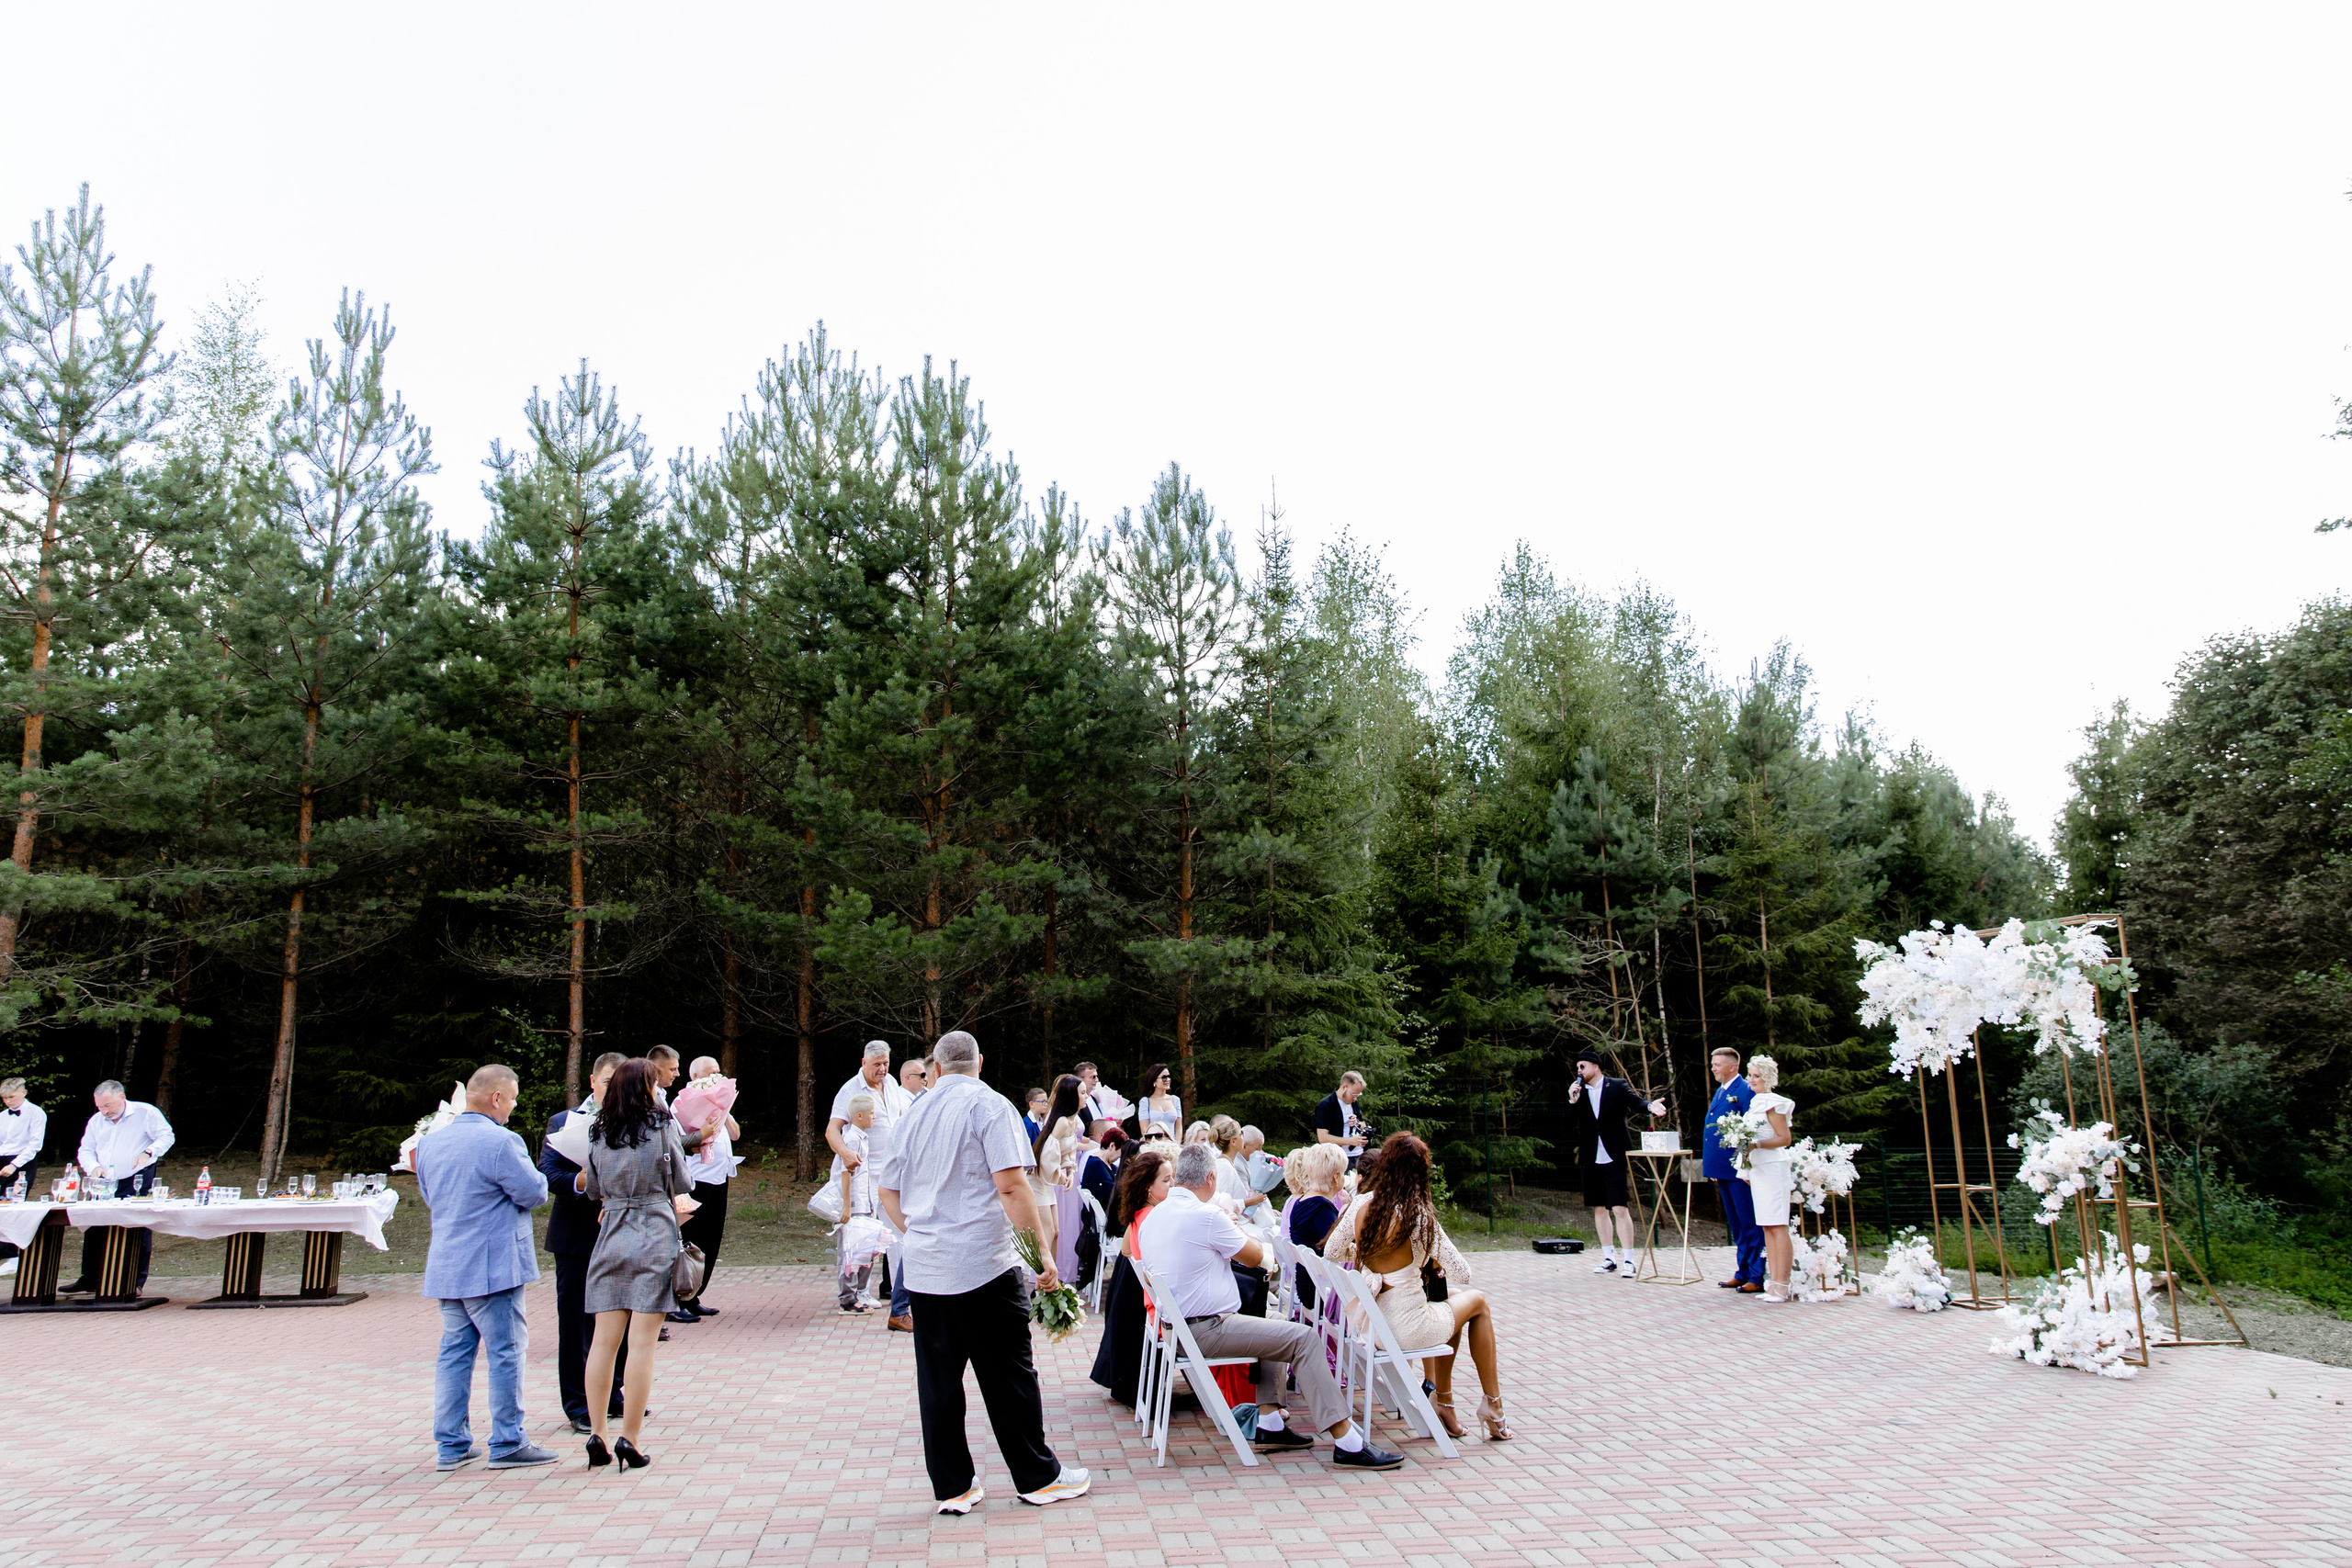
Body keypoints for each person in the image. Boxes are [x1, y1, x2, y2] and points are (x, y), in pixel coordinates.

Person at [876, 1030, 1089, 1513]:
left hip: (927, 1268)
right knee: (1010, 1376)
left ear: (935, 1066)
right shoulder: (990, 1105)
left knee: (938, 1383)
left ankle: (953, 1487)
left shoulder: (914, 1112)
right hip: (982, 1265)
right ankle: (1038, 1476)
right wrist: (1043, 1255)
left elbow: (887, 1190)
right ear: (979, 1061)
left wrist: (922, 1231)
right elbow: (1012, 1186)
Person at [1151, 1142, 1404, 1470]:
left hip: (1178, 1328)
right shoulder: (1206, 1215)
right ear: (1210, 1179)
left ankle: (1270, 1422)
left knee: (1269, 1318)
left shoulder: (1157, 1215)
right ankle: (1346, 1440)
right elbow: (1257, 1257)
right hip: (1206, 1328)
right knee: (1303, 1337)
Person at [1324, 1133, 1513, 1442]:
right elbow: (1463, 1272)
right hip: (1407, 1328)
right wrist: (1426, 1256)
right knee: (1477, 1301)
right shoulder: (1417, 1215)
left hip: (1375, 1323)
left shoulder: (1360, 1203)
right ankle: (1492, 1404)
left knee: (1450, 1303)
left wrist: (1367, 1253)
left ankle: (1445, 1402)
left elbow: (1332, 1252)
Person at [415, 1064, 558, 1472]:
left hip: (448, 1263)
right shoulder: (501, 1142)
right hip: (493, 1266)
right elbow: (534, 1193)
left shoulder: (430, 1143)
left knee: (454, 1355)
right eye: (511, 1099)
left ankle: (452, 1445)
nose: (512, 1108)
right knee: (507, 1352)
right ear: (496, 1098)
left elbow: (431, 1196)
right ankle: (508, 1441)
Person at [580, 1058, 699, 1472]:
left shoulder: (598, 1130)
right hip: (653, 1230)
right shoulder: (662, 1126)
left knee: (603, 1342)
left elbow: (592, 1188)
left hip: (612, 1231)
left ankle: (597, 1431)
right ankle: (630, 1437)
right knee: (642, 1344)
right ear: (646, 1087)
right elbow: (683, 1181)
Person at [539, 1051, 629, 1432]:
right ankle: (578, 1404)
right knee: (576, 1322)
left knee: (620, 1319)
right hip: (576, 1234)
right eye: (608, 1081)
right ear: (592, 1082)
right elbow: (547, 1173)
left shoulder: (634, 1122)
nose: (614, 1089)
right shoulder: (563, 1122)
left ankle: (613, 1394)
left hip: (623, 1233)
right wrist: (585, 1180)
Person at [828, 1042, 916, 1329]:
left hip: (893, 1174)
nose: (881, 1069)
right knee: (859, 1236)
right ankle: (853, 1293)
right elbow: (832, 1129)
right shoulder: (850, 1089)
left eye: (885, 1063)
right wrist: (845, 1153)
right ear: (863, 1062)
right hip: (862, 1174)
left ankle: (903, 1292)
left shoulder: (892, 1085)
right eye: (876, 1064)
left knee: (897, 1234)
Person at [62, 1080, 174, 1295]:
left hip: (136, 1175)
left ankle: (135, 1280)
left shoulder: (145, 1112)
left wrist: (149, 1152)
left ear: (122, 1097)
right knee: (95, 1225)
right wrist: (93, 1167)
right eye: (100, 1107)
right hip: (104, 1180)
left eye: (108, 1106)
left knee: (136, 1224)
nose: (105, 1111)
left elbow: (166, 1136)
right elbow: (85, 1150)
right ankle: (91, 1278)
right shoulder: (97, 1121)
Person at [1566, 1049, 1667, 1276]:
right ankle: (1608, 1257)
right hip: (1591, 1156)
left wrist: (1650, 1106)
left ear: (1595, 1067)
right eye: (1577, 1068)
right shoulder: (1578, 1092)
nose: (1579, 1071)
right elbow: (1568, 1124)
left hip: (1614, 1155)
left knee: (1620, 1208)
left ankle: (1629, 1260)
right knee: (1599, 1208)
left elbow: (1636, 1102)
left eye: (1583, 1066)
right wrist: (1572, 1101)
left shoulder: (1616, 1086)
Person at [1086, 1145, 1170, 1405]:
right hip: (1141, 1303)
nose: (1173, 1184)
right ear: (1148, 1187)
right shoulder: (1154, 1217)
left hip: (1126, 1298)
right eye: (1167, 1180)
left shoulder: (1139, 1212)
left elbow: (1125, 1250)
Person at [669, 1055, 739, 1325]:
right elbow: (681, 1142)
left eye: (720, 1073)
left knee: (711, 1239)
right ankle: (679, 1297)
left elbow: (735, 1135)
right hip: (697, 1181)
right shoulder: (680, 1103)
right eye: (712, 1074)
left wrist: (725, 1109)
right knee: (691, 1239)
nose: (718, 1078)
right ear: (696, 1077)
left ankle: (695, 1294)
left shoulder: (720, 1103)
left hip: (720, 1177)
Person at [1702, 1046, 1766, 1294]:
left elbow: (1749, 1129)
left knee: (1749, 1222)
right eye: (1712, 1064)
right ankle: (1743, 1272)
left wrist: (1744, 1165)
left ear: (1733, 1066)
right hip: (1722, 1168)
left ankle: (1757, 1275)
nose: (1713, 1068)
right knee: (1736, 1224)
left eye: (1717, 1064)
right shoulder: (1721, 1091)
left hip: (1738, 1169)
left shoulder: (1745, 1091)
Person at [1742, 1055, 1797, 1303]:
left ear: (1767, 1078)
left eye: (1756, 1076)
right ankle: (1772, 1281)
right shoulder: (1755, 1103)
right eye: (1750, 1075)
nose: (1751, 1080)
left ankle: (1782, 1285)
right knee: (1766, 1226)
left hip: (1774, 1167)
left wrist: (1757, 1144)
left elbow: (1784, 1138)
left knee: (1778, 1225)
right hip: (1759, 1169)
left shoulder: (1773, 1103)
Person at [831, 1094, 888, 1311]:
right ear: (859, 1116)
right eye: (872, 1114)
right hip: (854, 1206)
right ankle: (847, 1298)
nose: (874, 1117)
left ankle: (859, 1293)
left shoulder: (863, 1138)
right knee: (849, 1252)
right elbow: (846, 1173)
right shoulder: (852, 1139)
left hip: (866, 1203)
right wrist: (847, 1206)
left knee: (865, 1250)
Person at [1279, 1142, 1348, 1310]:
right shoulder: (1322, 1208)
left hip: (1305, 1281)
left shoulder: (1301, 1201)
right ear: (1336, 1177)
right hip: (1318, 1289)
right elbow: (1335, 1251)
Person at [1313, 1071, 1371, 1173]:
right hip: (1339, 1158)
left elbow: (1363, 1124)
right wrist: (1350, 1141)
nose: (1355, 1098)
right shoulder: (1326, 1105)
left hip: (1359, 1155)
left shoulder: (1354, 1103)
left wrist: (1357, 1122)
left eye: (1358, 1095)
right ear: (1344, 1087)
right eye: (1353, 1094)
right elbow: (1322, 1138)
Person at [0, 1076, 45, 1195]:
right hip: (2, 1160)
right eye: (4, 1098)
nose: (8, 1101)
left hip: (23, 1162)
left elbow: (35, 1145)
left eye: (11, 1097)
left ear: (23, 1093)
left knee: (12, 1200)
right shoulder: (2, 1115)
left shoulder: (36, 1113)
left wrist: (14, 1165)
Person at [1136, 1064, 1182, 1141]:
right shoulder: (1146, 1101)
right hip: (1153, 1145)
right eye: (1164, 1078)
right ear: (1154, 1080)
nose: (1168, 1080)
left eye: (1169, 1077)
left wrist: (1176, 1146)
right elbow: (1144, 1130)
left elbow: (1178, 1128)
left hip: (1172, 1146)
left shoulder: (1175, 1100)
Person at [1075, 1062, 1121, 1127]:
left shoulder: (1094, 1098)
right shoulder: (1076, 1100)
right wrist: (1103, 1123)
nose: (1097, 1080)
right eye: (1093, 1077)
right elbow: (1077, 1126)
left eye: (1096, 1076)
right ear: (1080, 1079)